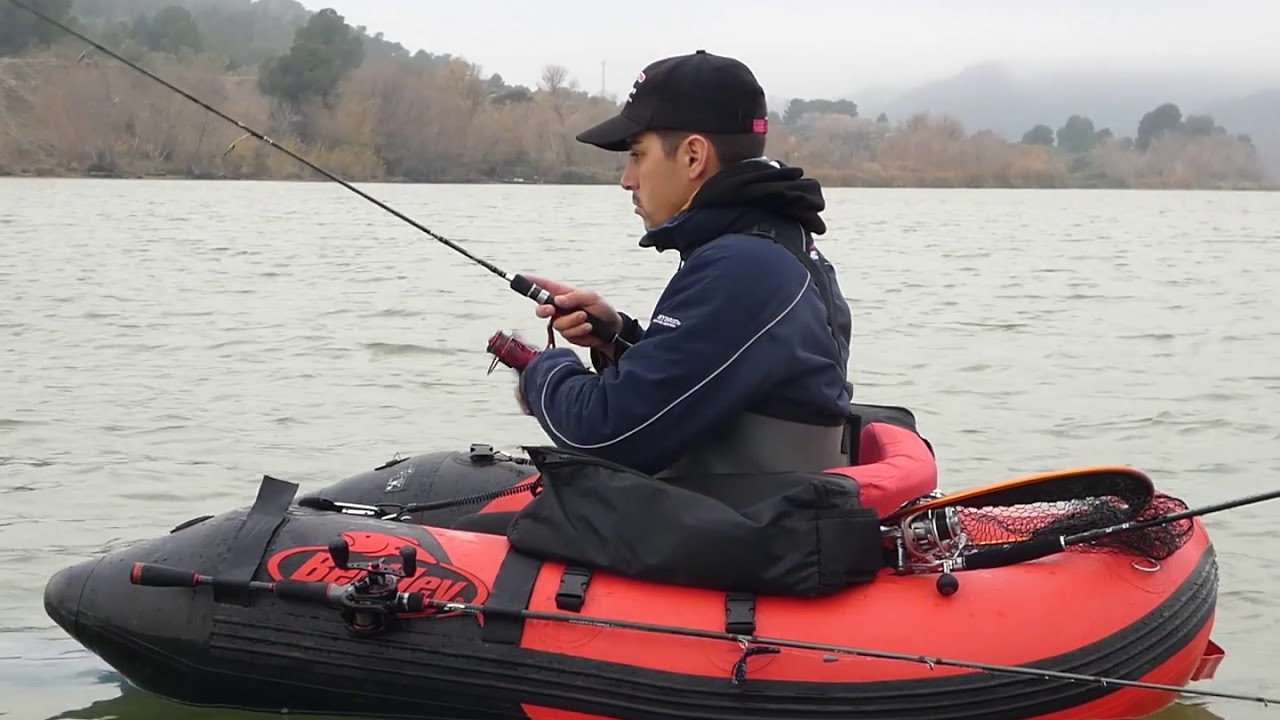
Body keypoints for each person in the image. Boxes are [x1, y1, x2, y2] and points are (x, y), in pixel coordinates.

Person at [509, 49, 855, 479]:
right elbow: (724, 380)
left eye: (637, 155)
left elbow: (605, 434)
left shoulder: (745, 267)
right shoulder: (775, 244)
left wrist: (539, 368)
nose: (626, 180)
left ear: (693, 156)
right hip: (753, 516)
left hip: (741, 532)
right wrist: (617, 339)